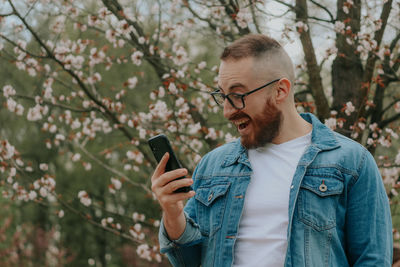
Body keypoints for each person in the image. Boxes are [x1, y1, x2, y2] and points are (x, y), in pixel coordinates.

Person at [151, 34, 393, 266]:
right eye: (222, 96)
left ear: (280, 90)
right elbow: (188, 260)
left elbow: (373, 260)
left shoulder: (352, 162)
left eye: (237, 95)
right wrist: (173, 212)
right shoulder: (213, 166)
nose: (226, 111)